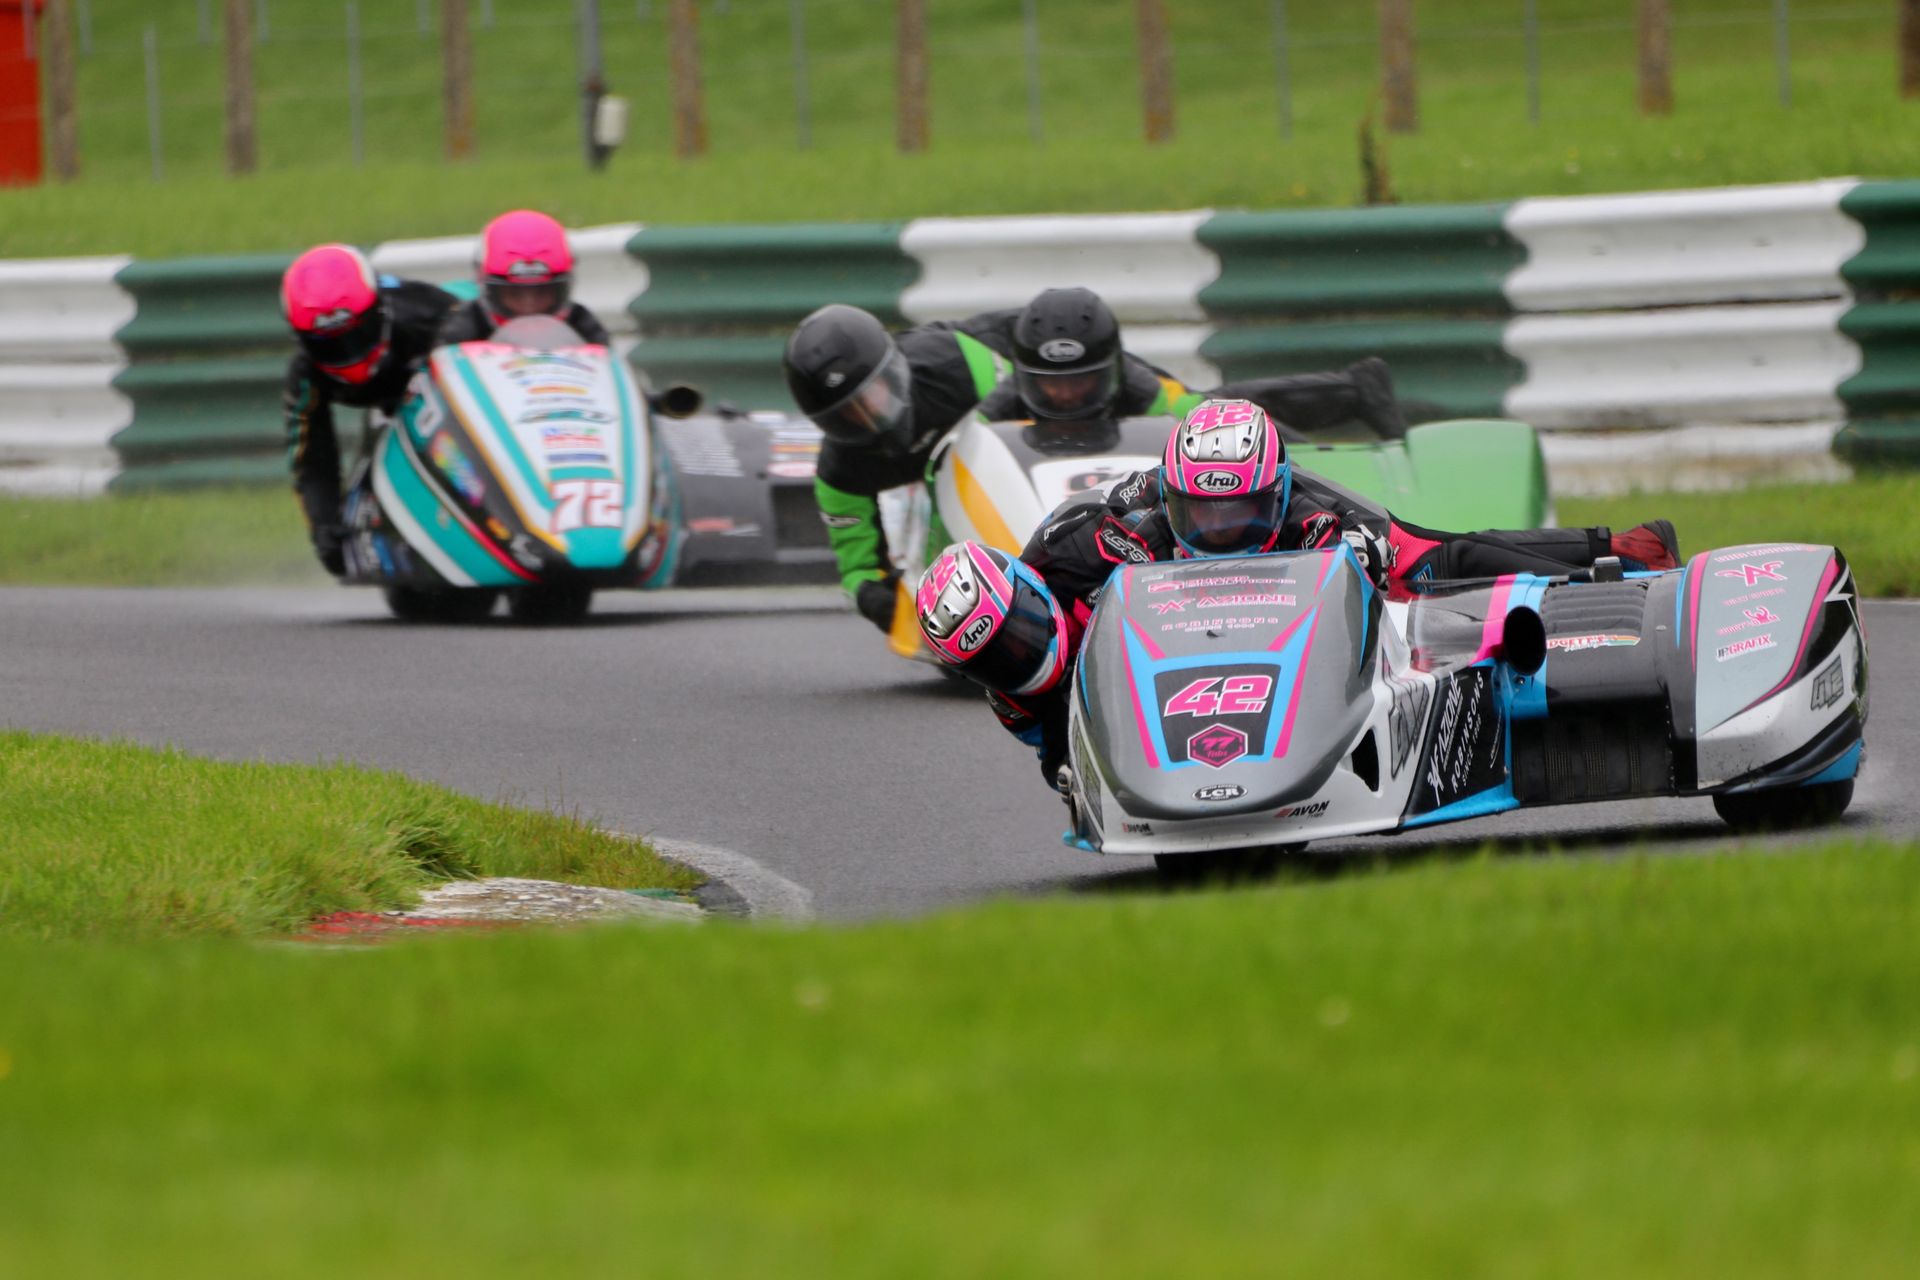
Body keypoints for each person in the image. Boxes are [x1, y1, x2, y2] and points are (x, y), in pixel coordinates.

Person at [920, 398, 1681, 783]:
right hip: (1176, 607)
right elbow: (1058, 732)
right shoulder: (1040, 642)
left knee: (1430, 562)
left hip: (1300, 543)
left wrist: (1358, 550)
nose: (1219, 530)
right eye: (1201, 513)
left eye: (1236, 510)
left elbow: (1148, 494)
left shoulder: (1298, 515)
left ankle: (1618, 548)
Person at [784, 295, 1401, 634]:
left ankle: (1334, 418)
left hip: (1054, 378)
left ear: (896, 368)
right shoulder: (841, 475)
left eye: (877, 395)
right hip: (1011, 410)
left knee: (1204, 417)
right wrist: (904, 619)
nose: (871, 419)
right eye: (848, 416)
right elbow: (858, 572)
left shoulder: (955, 363)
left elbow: (1004, 439)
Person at [281, 243, 458, 575]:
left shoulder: (429, 315)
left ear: (379, 313)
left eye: (356, 335)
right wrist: (323, 525)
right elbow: (311, 458)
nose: (347, 354)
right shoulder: (306, 377)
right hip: (389, 403)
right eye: (328, 345)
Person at [436, 209, 612, 348]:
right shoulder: (463, 328)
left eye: (542, 293)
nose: (529, 305)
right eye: (514, 294)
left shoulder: (582, 325)